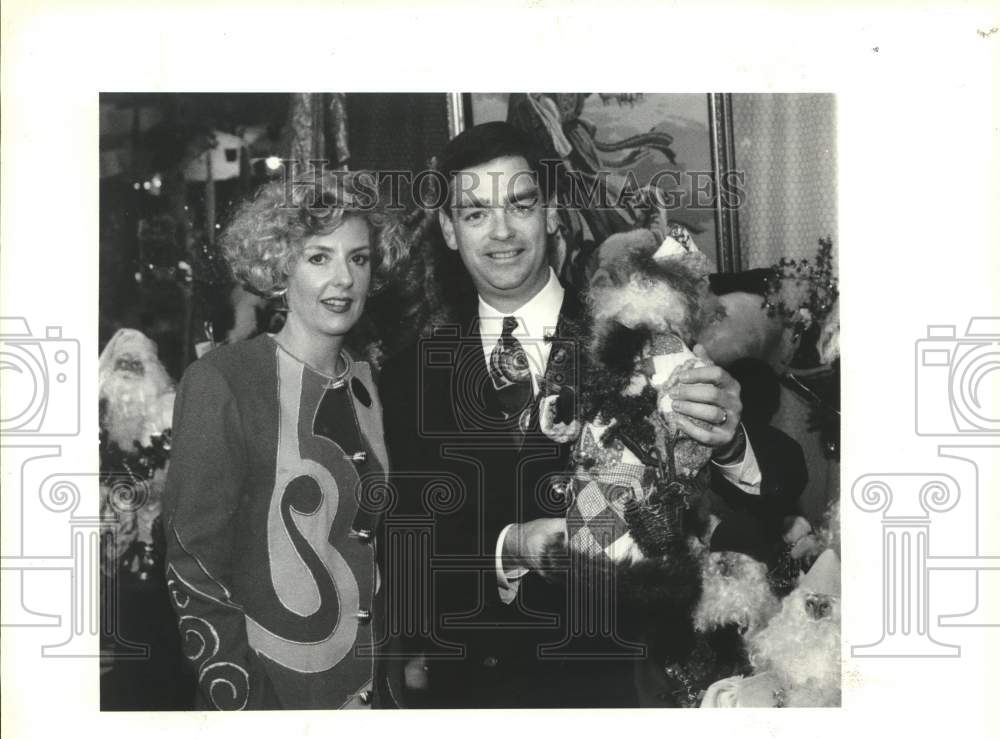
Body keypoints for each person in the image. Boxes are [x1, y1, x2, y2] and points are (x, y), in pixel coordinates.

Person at [379, 122, 767, 708]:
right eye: (476, 213)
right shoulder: (408, 375)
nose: (502, 231)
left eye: (521, 203)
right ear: (449, 231)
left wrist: (730, 441)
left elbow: (754, 511)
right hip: (480, 699)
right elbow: (405, 547)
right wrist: (510, 545)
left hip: (629, 687)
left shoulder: (639, 337)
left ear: (554, 211)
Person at [162, 169, 408, 709]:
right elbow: (193, 566)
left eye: (358, 258)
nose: (343, 279)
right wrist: (251, 708)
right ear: (280, 265)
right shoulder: (224, 380)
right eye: (319, 257)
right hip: (269, 702)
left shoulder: (369, 384)